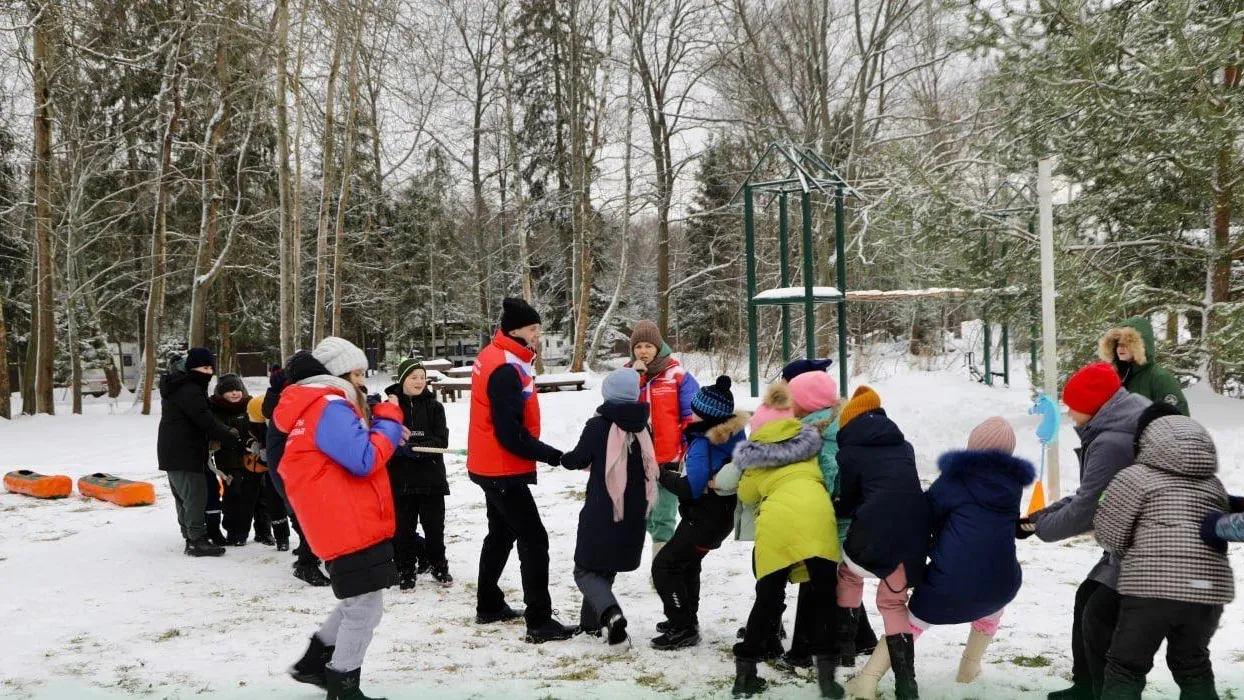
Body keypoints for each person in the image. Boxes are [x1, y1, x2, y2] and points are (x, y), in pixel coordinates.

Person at [278, 337, 406, 700]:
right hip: (347, 521)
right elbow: (364, 459)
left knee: (358, 600)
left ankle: (314, 662)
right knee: (365, 609)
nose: (366, 382)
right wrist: (390, 420)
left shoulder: (317, 406)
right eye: (360, 374)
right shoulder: (330, 405)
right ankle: (343, 687)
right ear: (343, 374)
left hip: (340, 519)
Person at [1018, 362, 1150, 700]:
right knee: (1087, 598)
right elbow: (1091, 494)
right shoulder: (1121, 424)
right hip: (1132, 540)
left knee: (1100, 615)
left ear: (1092, 405)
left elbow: (1089, 508)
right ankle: (1087, 687)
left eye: (1072, 405)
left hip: (1148, 548)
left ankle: (1108, 692)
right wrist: (1039, 517)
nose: (1068, 412)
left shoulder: (1111, 442)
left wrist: (1040, 526)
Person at [1094, 408, 1234, 699]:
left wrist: (1136, 551)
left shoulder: (1134, 477)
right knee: (1193, 665)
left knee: (1126, 667)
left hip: (1151, 588)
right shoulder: (1214, 485)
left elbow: (1110, 536)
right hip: (1208, 590)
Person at [466, 298, 577, 644]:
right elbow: (510, 434)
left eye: (538, 330)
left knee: (501, 534)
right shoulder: (504, 368)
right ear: (515, 330)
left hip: (488, 464)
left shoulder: (499, 356)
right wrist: (555, 456)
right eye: (533, 330)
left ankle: (489, 604)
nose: (537, 336)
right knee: (534, 538)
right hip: (501, 468)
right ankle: (540, 622)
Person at [730, 383, 841, 699]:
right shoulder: (809, 447)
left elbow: (746, 495)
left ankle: (745, 675)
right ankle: (827, 680)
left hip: (778, 521)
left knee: (768, 598)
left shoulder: (755, 458)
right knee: (823, 597)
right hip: (818, 513)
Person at [905, 417, 1036, 687]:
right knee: (991, 610)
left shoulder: (955, 479)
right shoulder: (1012, 486)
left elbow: (925, 513)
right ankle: (969, 668)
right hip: (1002, 584)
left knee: (910, 624)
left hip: (947, 585)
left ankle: (871, 675)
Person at [780, 365, 878, 671]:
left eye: (793, 398)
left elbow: (828, 475)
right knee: (833, 580)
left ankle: (803, 650)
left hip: (828, 518)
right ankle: (862, 638)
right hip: (840, 518)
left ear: (807, 402)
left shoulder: (818, 433)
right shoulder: (834, 424)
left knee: (814, 581)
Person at [834, 386, 930, 700]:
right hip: (913, 542)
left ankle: (846, 649)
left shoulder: (850, 452)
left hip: (871, 541)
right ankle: (907, 683)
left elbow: (847, 504)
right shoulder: (905, 447)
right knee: (893, 603)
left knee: (847, 573)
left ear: (848, 423)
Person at [560, 368, 659, 646]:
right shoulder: (643, 426)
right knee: (605, 567)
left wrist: (558, 458)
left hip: (603, 508)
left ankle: (611, 614)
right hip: (634, 511)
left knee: (585, 569)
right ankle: (590, 625)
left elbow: (579, 459)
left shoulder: (598, 425)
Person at [650, 375, 749, 650]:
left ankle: (682, 625)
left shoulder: (704, 442)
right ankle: (685, 620)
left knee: (664, 566)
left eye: (694, 408)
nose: (689, 412)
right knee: (687, 564)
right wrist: (672, 470)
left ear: (704, 415)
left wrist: (661, 475)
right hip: (719, 516)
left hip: (705, 518)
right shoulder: (732, 435)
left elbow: (691, 487)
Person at [627, 320, 699, 567]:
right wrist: (636, 378)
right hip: (635, 456)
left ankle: (661, 570)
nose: (643, 351)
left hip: (669, 458)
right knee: (643, 513)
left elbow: (691, 415)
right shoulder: (626, 375)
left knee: (665, 514)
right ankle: (664, 553)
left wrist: (686, 446)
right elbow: (618, 407)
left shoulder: (677, 376)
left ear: (658, 347)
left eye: (648, 345)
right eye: (638, 346)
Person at [157, 347, 240, 557]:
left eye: (211, 367)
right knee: (195, 496)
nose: (209, 372)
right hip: (185, 451)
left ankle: (190, 536)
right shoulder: (189, 390)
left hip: (174, 451)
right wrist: (229, 437)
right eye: (204, 367)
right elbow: (205, 420)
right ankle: (197, 540)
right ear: (192, 368)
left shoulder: (182, 386)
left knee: (184, 497)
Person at [264, 352, 333, 586]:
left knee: (313, 518)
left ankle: (314, 558)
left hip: (291, 469)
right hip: (289, 470)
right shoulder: (297, 400)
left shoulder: (297, 398)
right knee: (306, 520)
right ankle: (306, 564)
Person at [384, 358, 452, 590]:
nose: (419, 382)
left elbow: (441, 440)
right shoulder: (391, 408)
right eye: (414, 377)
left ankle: (439, 566)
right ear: (403, 380)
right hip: (401, 480)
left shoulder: (435, 407)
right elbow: (383, 439)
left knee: (434, 528)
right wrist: (397, 448)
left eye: (422, 378)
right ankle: (405, 570)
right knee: (404, 529)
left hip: (431, 478)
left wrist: (414, 448)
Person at [208, 374, 270, 546]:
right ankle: (236, 533)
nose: (235, 393)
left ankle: (264, 531)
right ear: (221, 393)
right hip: (228, 461)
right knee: (234, 495)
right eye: (229, 391)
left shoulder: (251, 406)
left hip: (253, 460)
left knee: (260, 494)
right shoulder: (214, 410)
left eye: (237, 390)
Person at [1098, 317, 1188, 415]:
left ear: (1140, 346)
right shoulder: (1114, 376)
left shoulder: (1160, 378)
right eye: (1118, 344)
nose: (1120, 348)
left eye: (1126, 344)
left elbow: (1178, 420)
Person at [247, 392, 291, 551]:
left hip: (292, 463)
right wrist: (256, 446)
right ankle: (282, 538)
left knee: (295, 502)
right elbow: (252, 435)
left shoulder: (287, 416)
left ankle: (306, 540)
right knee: (274, 501)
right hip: (271, 466)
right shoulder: (255, 414)